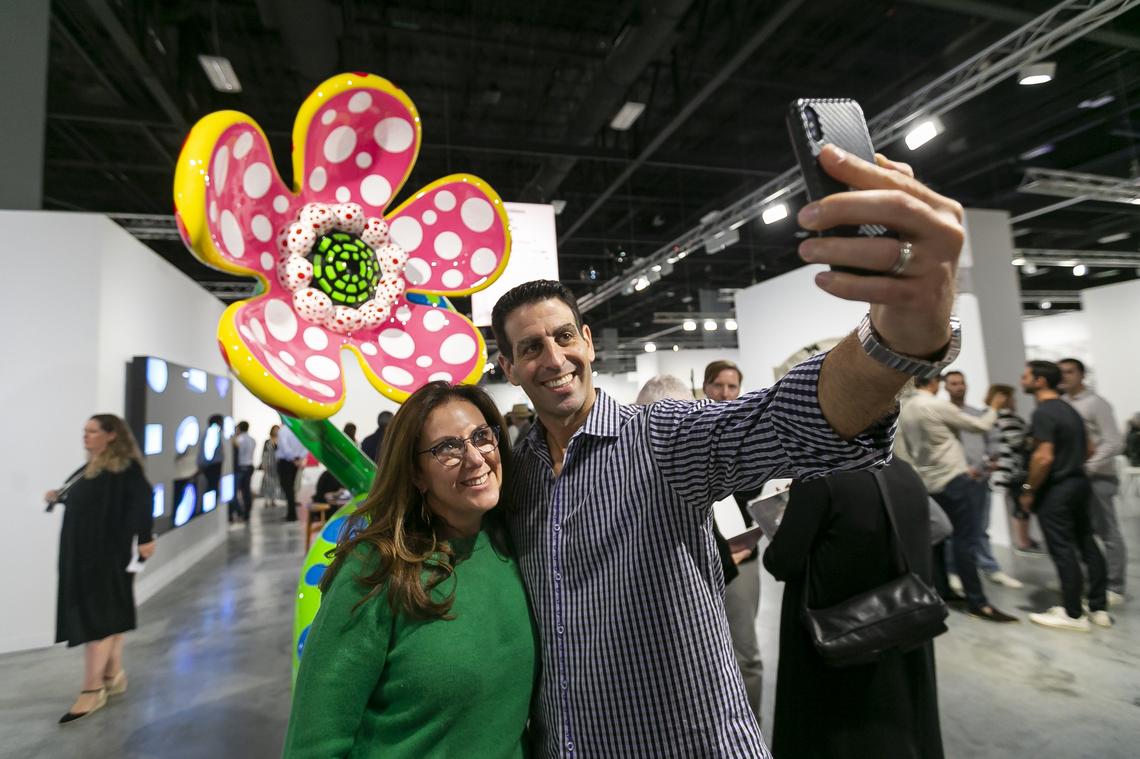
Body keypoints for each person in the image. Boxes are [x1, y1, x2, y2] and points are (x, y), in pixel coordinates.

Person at [283, 382, 535, 757]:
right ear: (416, 474)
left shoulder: (514, 545)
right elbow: (315, 741)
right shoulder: (375, 570)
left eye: (482, 436)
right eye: (447, 448)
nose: (476, 458)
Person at [763, 459, 944, 758]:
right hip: (899, 635)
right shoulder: (905, 472)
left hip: (834, 645)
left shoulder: (821, 478)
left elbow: (782, 561)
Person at [43, 414, 157, 723]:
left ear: (111, 435)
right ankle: (112, 675)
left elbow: (144, 499)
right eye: (85, 431)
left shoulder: (125, 467)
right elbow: (88, 501)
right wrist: (60, 496)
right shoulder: (89, 468)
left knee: (99, 617)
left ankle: (91, 690)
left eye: (93, 431)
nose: (86, 436)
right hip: (84, 553)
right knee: (109, 611)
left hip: (108, 553)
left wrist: (145, 537)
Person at [895, 375, 1016, 622]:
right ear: (935, 382)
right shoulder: (936, 404)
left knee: (939, 538)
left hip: (928, 480)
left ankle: (945, 591)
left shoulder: (906, 409)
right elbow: (980, 426)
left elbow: (903, 448)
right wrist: (994, 407)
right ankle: (978, 602)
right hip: (953, 478)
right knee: (965, 540)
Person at [1021, 361, 1112, 631]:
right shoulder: (1069, 409)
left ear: (1040, 381)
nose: (1022, 381)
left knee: (1063, 549)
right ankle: (1098, 607)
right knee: (1087, 542)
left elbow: (1043, 456)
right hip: (1079, 483)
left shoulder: (1044, 412)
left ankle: (1073, 614)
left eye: (1025, 376)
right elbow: (1089, 448)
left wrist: (1029, 489)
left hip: (1057, 489)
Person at [702, 359, 765, 722]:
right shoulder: (689, 433)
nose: (725, 394)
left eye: (732, 386)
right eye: (719, 386)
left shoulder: (749, 434)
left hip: (744, 556)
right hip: (700, 556)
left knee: (746, 652)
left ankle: (749, 729)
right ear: (707, 387)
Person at [942, 371, 1022, 589]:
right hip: (951, 479)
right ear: (945, 387)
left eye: (962, 383)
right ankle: (952, 570)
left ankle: (989, 567)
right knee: (952, 529)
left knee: (980, 526)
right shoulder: (941, 415)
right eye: (954, 383)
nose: (959, 387)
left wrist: (984, 465)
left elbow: (994, 444)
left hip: (978, 479)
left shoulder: (978, 414)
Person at [1059, 358, 1127, 605]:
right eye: (1061, 372)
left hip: (1098, 477)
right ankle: (1093, 581)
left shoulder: (1096, 404)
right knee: (1082, 532)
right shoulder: (1063, 404)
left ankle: (1115, 586)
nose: (1064, 376)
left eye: (1069, 372)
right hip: (1074, 479)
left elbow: (1113, 441)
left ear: (1082, 375)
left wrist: (1089, 467)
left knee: (1107, 532)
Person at [985, 385, 1042, 554]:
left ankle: (1023, 539)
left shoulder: (989, 416)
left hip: (1003, 470)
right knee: (1021, 504)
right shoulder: (1007, 418)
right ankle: (1023, 542)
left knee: (1018, 504)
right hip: (1014, 469)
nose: (1015, 401)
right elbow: (1017, 441)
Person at [275, 423, 307, 522]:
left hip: (286, 462)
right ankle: (291, 513)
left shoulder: (283, 430)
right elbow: (305, 445)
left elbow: (285, 448)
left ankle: (292, 515)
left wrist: (293, 459)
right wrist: (300, 459)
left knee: (287, 488)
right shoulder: (300, 429)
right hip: (295, 462)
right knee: (291, 488)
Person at [231, 421, 256, 522]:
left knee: (235, 492)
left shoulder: (240, 439)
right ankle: (247, 512)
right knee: (246, 491)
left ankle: (240, 512)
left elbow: (236, 447)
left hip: (241, 467)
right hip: (249, 466)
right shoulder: (252, 439)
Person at [197, 414, 225, 497]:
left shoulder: (211, 431)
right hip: (212, 466)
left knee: (211, 488)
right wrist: (204, 465)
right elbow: (208, 453)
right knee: (212, 488)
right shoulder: (213, 431)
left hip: (210, 465)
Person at [259, 424, 283, 507]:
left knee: (275, 483)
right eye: (275, 429)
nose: (276, 431)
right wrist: (263, 463)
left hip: (277, 465)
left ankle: (273, 500)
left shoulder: (281, 441)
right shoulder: (267, 442)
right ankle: (266, 500)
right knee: (267, 482)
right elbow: (264, 453)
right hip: (268, 464)